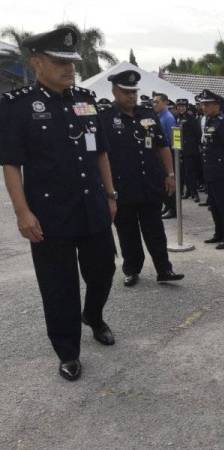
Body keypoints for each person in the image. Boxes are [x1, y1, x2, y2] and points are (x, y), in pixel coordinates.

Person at [0, 27, 116, 381]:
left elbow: (101, 153)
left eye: (72, 62)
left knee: (104, 270)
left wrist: (110, 195)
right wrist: (22, 212)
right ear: (37, 63)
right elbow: (11, 164)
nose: (69, 69)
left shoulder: (86, 99)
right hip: (50, 213)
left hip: (92, 205)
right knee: (58, 285)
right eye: (59, 62)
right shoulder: (17, 106)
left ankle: (93, 316)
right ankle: (68, 351)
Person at [99, 69, 184, 287]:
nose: (131, 96)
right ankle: (132, 269)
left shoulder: (147, 114)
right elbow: (102, 156)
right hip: (122, 186)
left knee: (155, 230)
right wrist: (107, 190)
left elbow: (162, 146)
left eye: (134, 92)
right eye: (126, 92)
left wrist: (171, 174)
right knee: (127, 232)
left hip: (150, 185)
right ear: (115, 91)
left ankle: (164, 269)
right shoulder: (106, 117)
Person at [199, 90, 224, 249]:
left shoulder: (223, 122)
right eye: (203, 104)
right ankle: (219, 233)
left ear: (216, 105)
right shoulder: (209, 121)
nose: (204, 107)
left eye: (207, 104)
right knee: (214, 205)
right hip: (210, 169)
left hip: (222, 170)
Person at [153, 93, 177, 219]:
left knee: (169, 179)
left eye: (157, 102)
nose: (154, 104)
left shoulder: (168, 118)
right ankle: (167, 205)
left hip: (167, 153)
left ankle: (173, 208)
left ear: (165, 102)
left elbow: (170, 140)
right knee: (163, 182)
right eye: (154, 102)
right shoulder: (158, 117)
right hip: (159, 153)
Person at [175, 98, 203, 203]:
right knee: (183, 172)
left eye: (183, 106)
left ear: (186, 107)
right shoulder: (177, 118)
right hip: (180, 149)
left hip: (190, 150)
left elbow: (198, 134)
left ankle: (195, 194)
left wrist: (195, 146)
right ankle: (187, 192)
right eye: (179, 106)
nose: (181, 108)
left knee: (190, 172)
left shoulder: (191, 119)